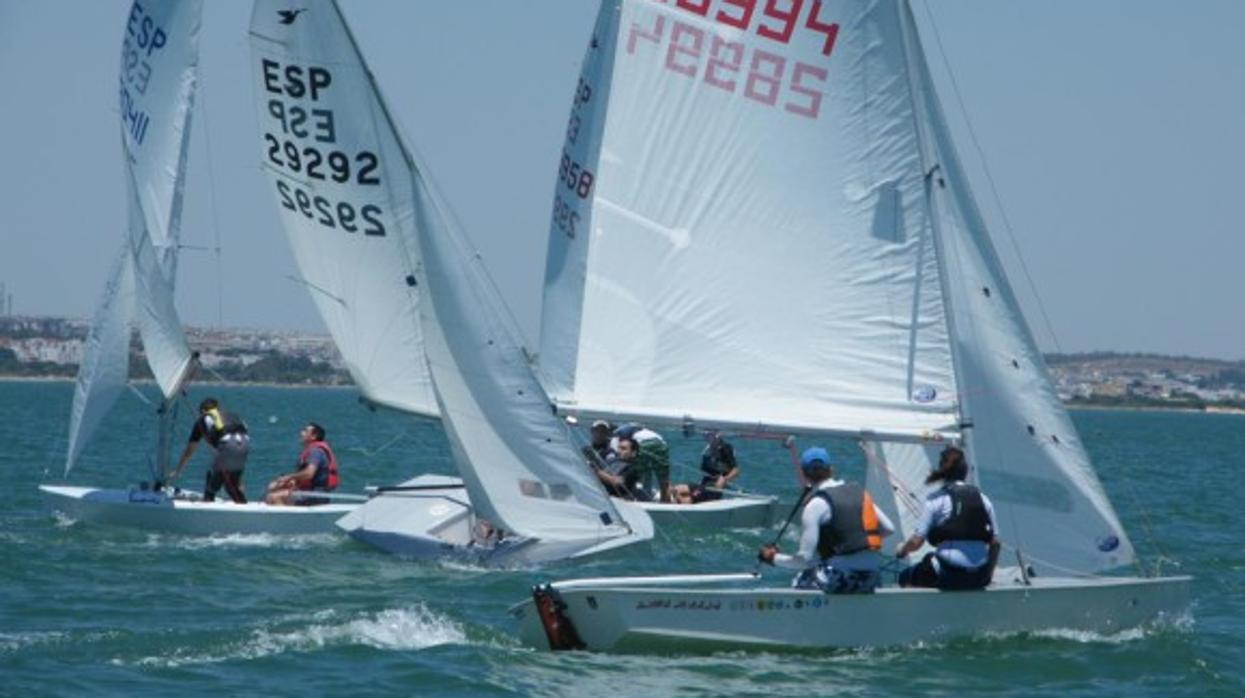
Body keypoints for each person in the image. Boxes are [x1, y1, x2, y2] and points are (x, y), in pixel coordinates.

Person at [758, 446, 894, 594]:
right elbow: (888, 528)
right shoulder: (860, 493)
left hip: (843, 579)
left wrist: (773, 558)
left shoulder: (815, 505)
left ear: (804, 474)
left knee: (801, 579)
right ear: (831, 469)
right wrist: (857, 539)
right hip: (872, 578)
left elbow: (804, 560)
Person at [894, 445, 1001, 591]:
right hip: (979, 576)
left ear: (942, 471)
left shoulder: (935, 500)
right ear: (965, 471)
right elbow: (996, 543)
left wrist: (902, 551)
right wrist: (988, 574)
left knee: (905, 576)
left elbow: (916, 542)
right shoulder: (984, 499)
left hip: (948, 573)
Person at [170, 397, 250, 503]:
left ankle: (208, 503)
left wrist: (178, 471)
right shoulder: (232, 416)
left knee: (213, 481)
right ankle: (244, 508)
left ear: (202, 411)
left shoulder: (203, 419)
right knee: (232, 484)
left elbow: (190, 450)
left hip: (227, 444)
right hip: (245, 443)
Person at [265, 422, 339, 506]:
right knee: (272, 487)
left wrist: (289, 477)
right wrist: (291, 481)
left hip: (316, 494)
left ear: (313, 436)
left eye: (305, 431)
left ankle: (287, 518)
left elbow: (309, 474)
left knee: (274, 497)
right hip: (309, 491)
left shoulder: (316, 452)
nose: (301, 433)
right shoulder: (311, 450)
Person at [671, 432, 740, 504]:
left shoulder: (726, 448)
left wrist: (724, 479)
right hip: (704, 484)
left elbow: (736, 470)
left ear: (717, 436)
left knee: (686, 499)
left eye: (710, 435)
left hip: (714, 487)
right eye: (706, 435)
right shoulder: (707, 451)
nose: (707, 438)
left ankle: (679, 506)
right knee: (675, 490)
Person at [612, 424, 672, 503]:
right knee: (663, 479)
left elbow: (625, 446)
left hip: (645, 444)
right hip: (661, 443)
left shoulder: (618, 434)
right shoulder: (640, 429)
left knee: (642, 471)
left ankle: (642, 496)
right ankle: (665, 501)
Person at [594, 435, 645, 500]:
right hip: (603, 496)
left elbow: (617, 482)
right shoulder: (612, 462)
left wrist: (597, 472)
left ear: (633, 453)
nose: (619, 451)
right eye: (619, 448)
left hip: (619, 501)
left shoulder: (633, 468)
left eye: (623, 449)